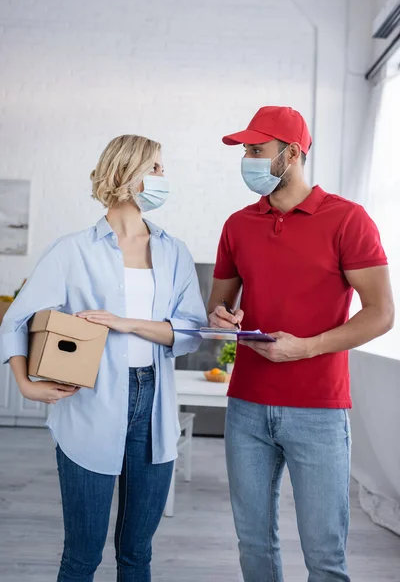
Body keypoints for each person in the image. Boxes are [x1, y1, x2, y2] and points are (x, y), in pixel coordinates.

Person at [0, 134, 207, 582]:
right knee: (82, 556)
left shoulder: (174, 252)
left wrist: (128, 323)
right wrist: (25, 384)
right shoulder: (71, 250)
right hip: (90, 404)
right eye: (154, 168)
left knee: (137, 555)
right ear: (124, 174)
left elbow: (191, 333)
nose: (162, 177)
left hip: (154, 405)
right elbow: (15, 321)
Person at [208, 106, 394, 582]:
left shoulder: (348, 220)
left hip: (318, 410)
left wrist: (307, 347)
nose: (246, 159)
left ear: (291, 154)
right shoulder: (238, 224)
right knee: (253, 546)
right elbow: (220, 307)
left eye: (256, 149)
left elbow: (381, 314)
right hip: (247, 406)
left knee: (325, 557)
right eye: (244, 150)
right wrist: (223, 319)